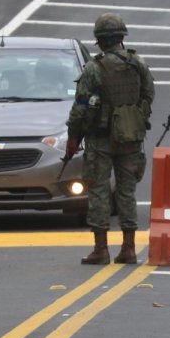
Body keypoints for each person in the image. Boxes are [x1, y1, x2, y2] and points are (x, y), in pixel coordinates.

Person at [66, 13, 155, 265]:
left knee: (99, 191)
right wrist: (134, 119)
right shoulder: (138, 63)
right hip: (131, 137)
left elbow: (80, 108)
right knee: (127, 192)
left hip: (101, 138)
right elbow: (148, 95)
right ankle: (128, 248)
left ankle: (101, 249)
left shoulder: (95, 68)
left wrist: (74, 137)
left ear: (100, 41)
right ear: (121, 38)